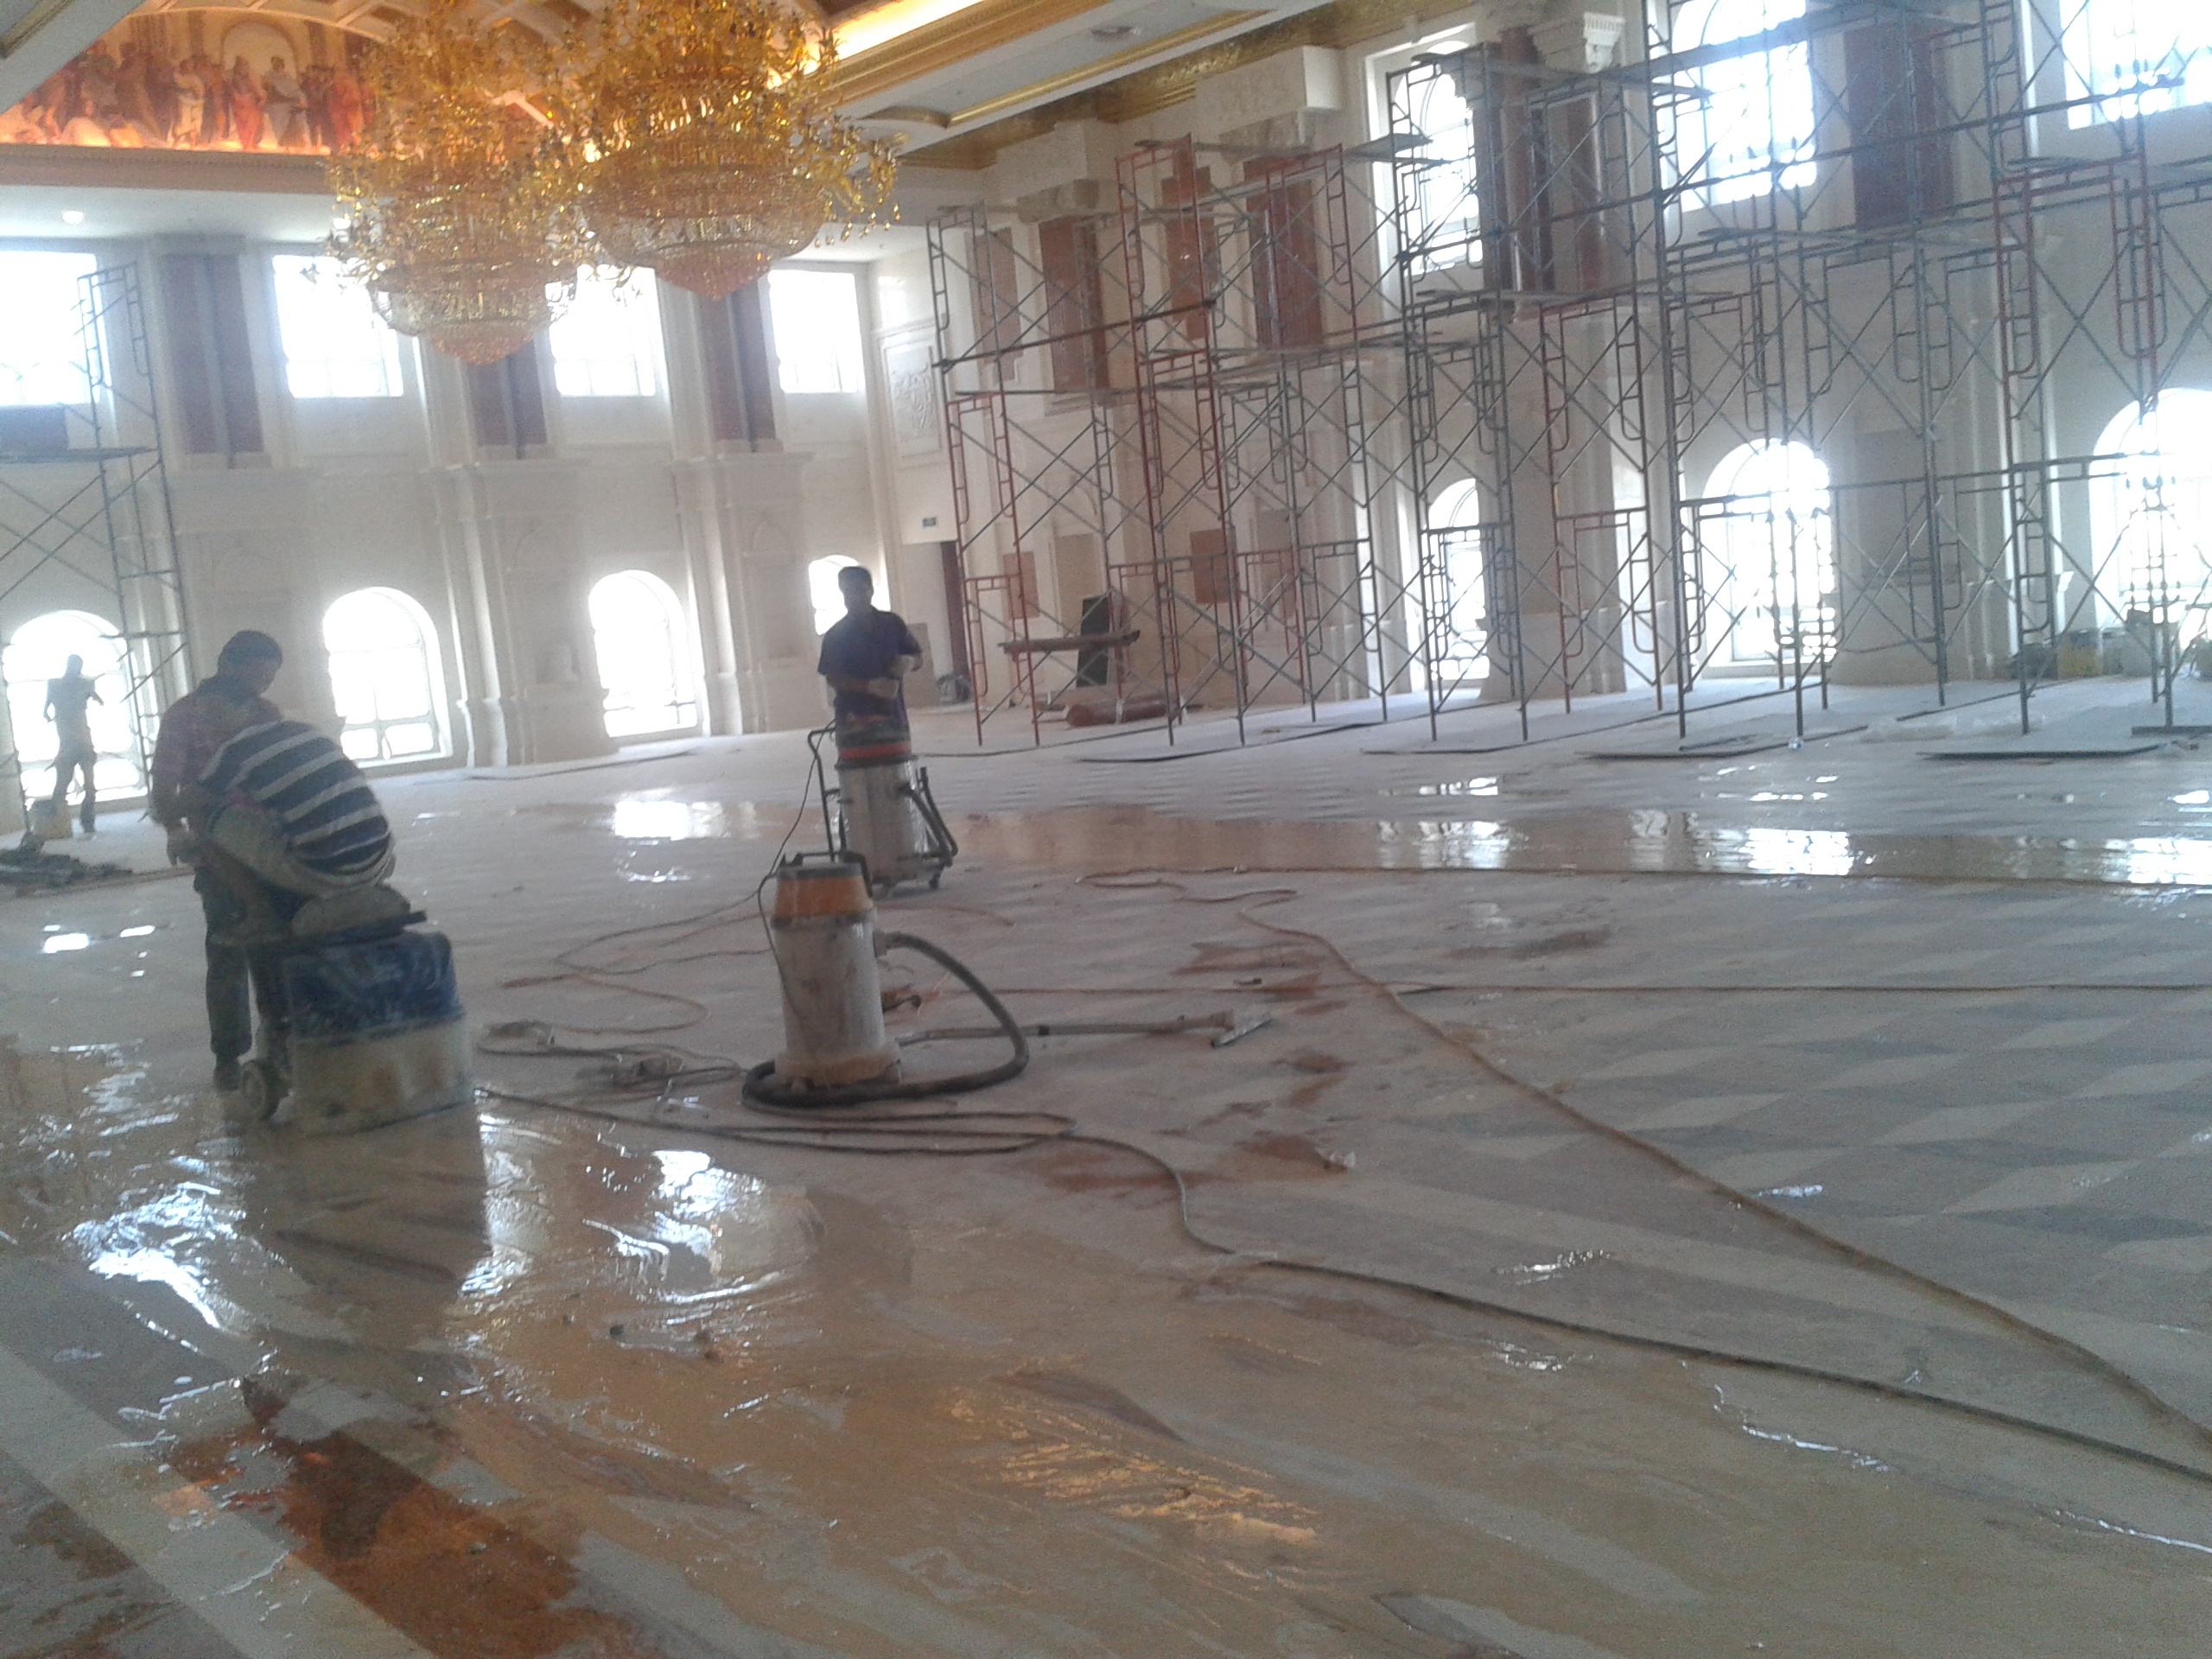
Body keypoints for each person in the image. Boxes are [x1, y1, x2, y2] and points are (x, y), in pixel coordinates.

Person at [149, 631, 283, 1091]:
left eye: (269, 678)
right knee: (228, 948)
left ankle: (280, 1039)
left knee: (275, 948)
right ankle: (228, 1055)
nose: (262, 686)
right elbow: (165, 782)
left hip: (267, 848)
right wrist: (176, 830)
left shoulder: (266, 713)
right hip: (216, 849)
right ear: (229, 664)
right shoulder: (185, 716)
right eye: (257, 675)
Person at [817, 565, 921, 746]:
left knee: (896, 762)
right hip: (854, 721)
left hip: (893, 718)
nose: (854, 597)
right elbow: (833, 677)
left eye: (859, 590)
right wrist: (869, 687)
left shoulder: (892, 624)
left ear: (871, 590)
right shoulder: (836, 635)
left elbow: (918, 657)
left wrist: (910, 662)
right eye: (848, 592)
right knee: (859, 763)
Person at [42, 655, 104, 833]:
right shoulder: (56, 685)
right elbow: (45, 710)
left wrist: (93, 694)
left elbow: (97, 698)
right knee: (62, 784)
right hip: (68, 742)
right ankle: (55, 823)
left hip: (82, 741)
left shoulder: (83, 685)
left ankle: (87, 821)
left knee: (89, 786)